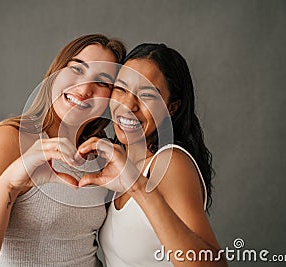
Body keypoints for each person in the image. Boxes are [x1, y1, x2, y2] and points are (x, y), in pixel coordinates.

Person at [0, 34, 126, 267]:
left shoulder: (102, 157)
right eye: (77, 69)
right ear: (56, 73)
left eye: (103, 82)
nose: (85, 89)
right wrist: (10, 183)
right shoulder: (10, 140)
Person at [78, 44, 227, 266]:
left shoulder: (170, 163)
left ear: (172, 108)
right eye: (121, 89)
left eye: (147, 94)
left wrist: (138, 186)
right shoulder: (118, 163)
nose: (128, 105)